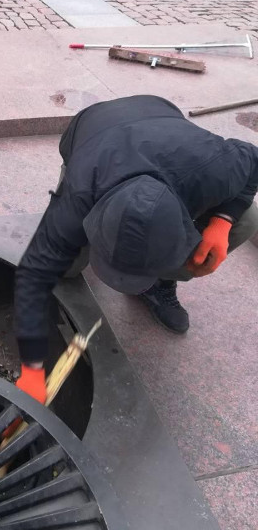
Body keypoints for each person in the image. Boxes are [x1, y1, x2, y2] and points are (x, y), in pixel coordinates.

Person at [14, 95, 258, 404]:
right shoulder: (80, 193)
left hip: (162, 122)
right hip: (93, 131)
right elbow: (33, 274)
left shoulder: (211, 167)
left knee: (248, 218)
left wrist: (223, 221)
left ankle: (160, 284)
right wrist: (32, 370)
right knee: (64, 268)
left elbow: (253, 160)